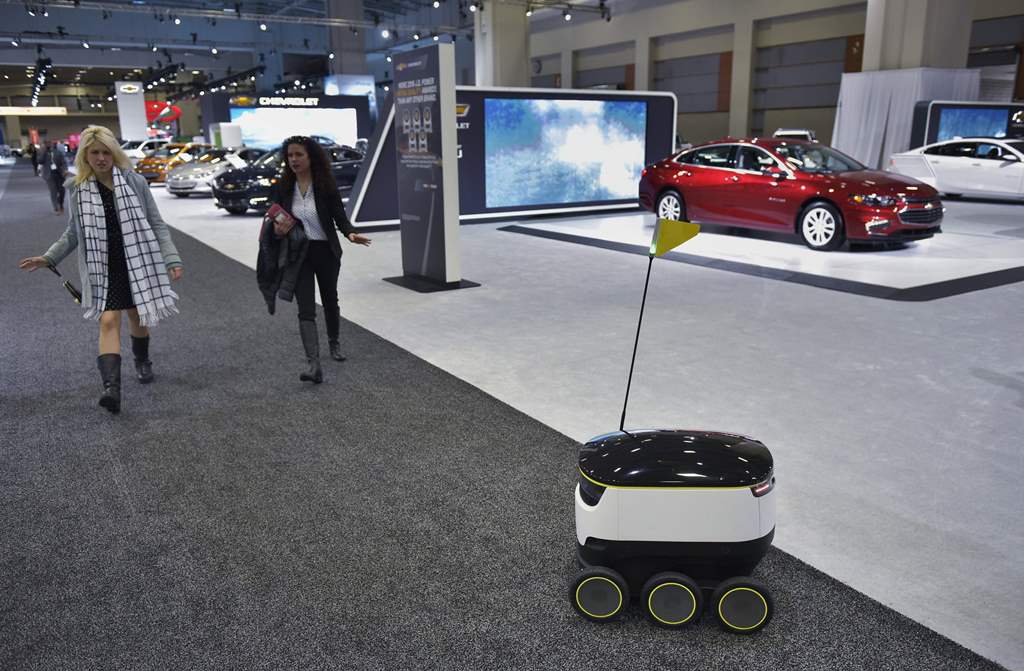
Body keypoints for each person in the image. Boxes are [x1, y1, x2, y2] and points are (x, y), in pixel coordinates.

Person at [18, 125, 184, 414]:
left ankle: (142, 360)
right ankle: (112, 389)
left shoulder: (134, 182)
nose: (101, 158)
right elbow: (73, 233)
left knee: (136, 315)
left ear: (114, 153)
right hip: (102, 267)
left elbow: (156, 224)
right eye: (94, 152)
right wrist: (49, 257)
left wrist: (171, 258)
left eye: (106, 152)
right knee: (108, 321)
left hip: (137, 263)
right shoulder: (78, 190)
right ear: (85, 155)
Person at [261, 136, 370, 384]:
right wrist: (277, 230)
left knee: (330, 299)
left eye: (299, 155)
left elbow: (339, 216)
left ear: (310, 157)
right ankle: (314, 365)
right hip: (298, 254)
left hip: (325, 252)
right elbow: (275, 215)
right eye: (290, 156)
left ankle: (334, 342)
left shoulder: (324, 185)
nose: (294, 160)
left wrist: (350, 233)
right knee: (306, 308)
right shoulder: (284, 187)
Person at [40, 140, 68, 214]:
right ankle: (56, 207)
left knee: (62, 191)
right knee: (53, 191)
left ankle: (60, 204)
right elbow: (40, 161)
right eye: (47, 144)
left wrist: (65, 170)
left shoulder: (58, 152)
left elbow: (63, 162)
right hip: (49, 175)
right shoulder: (43, 153)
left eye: (50, 143)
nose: (49, 145)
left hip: (59, 174)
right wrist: (44, 151)